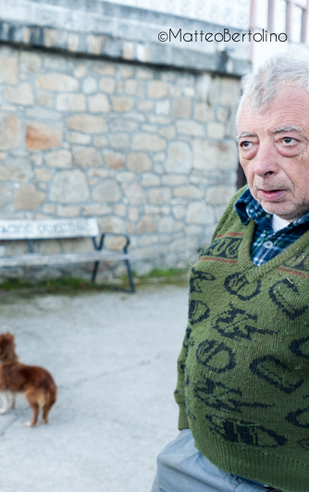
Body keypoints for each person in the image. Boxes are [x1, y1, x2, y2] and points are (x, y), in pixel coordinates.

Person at [151, 52, 309, 492]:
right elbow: (199, 319)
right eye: (247, 143)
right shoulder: (241, 211)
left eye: (288, 141)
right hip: (193, 456)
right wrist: (186, 420)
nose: (261, 165)